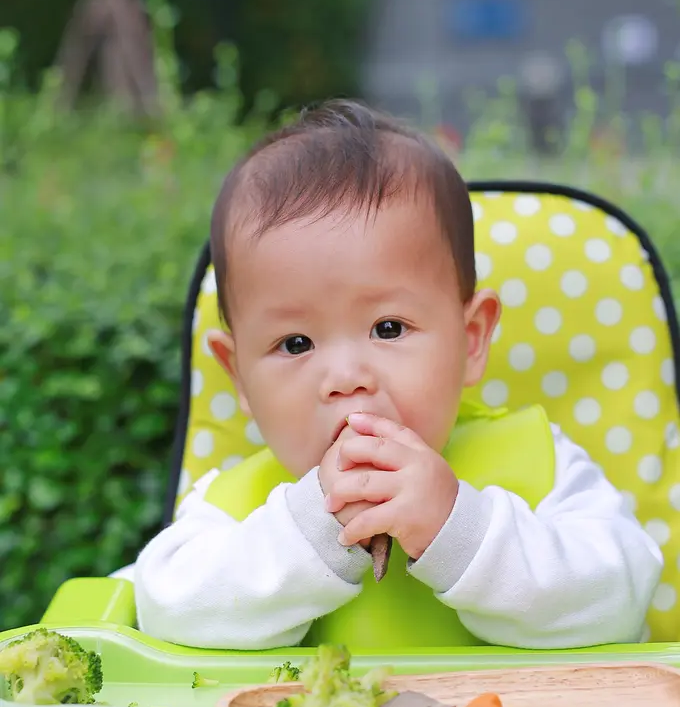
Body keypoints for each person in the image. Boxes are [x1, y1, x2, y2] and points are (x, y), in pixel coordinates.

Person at [131, 100, 662, 651]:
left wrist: (461, 532)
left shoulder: (539, 462)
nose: (346, 378)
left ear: (471, 339)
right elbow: (164, 611)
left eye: (388, 329)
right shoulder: (232, 509)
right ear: (239, 376)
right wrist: (310, 532)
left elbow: (623, 597)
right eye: (296, 344)